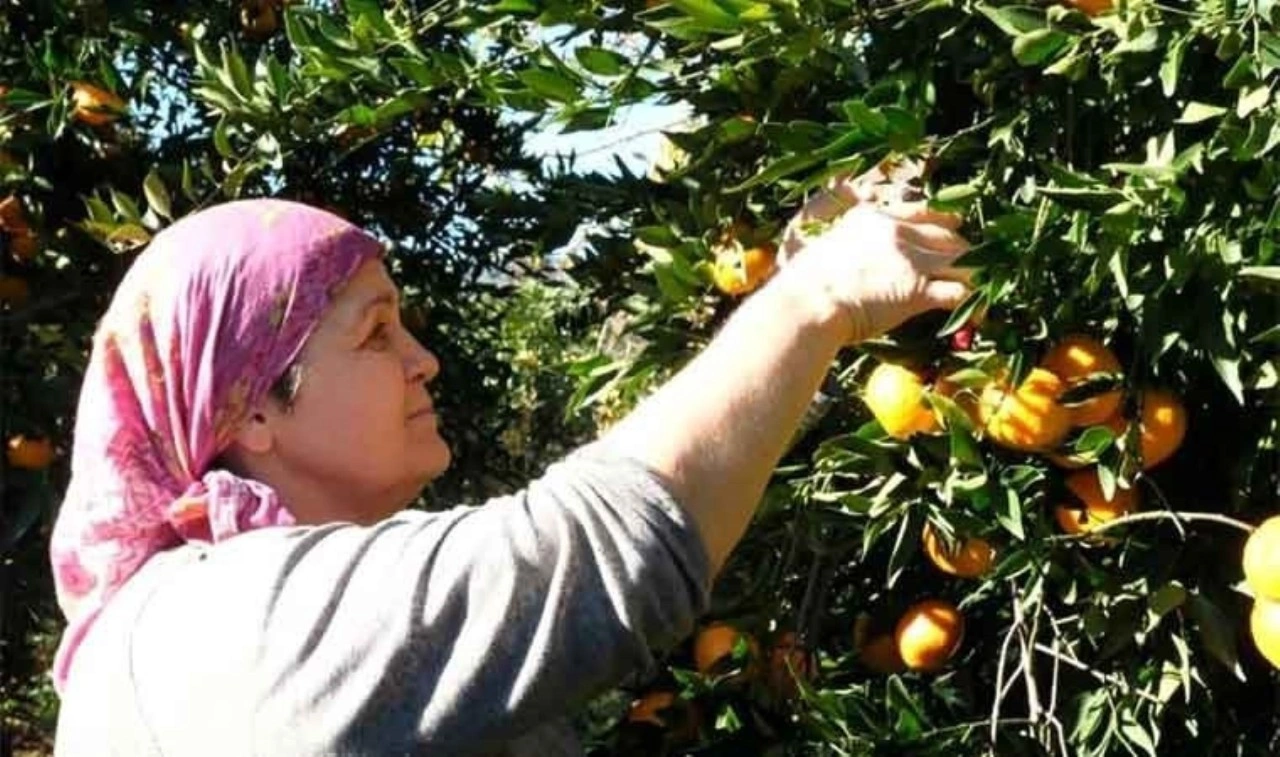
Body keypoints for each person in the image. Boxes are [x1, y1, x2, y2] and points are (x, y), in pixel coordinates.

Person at [47, 170, 970, 756]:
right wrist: (814, 303)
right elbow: (597, 551)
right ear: (248, 406)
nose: (422, 359)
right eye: (376, 334)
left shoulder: (239, 605)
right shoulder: (200, 625)